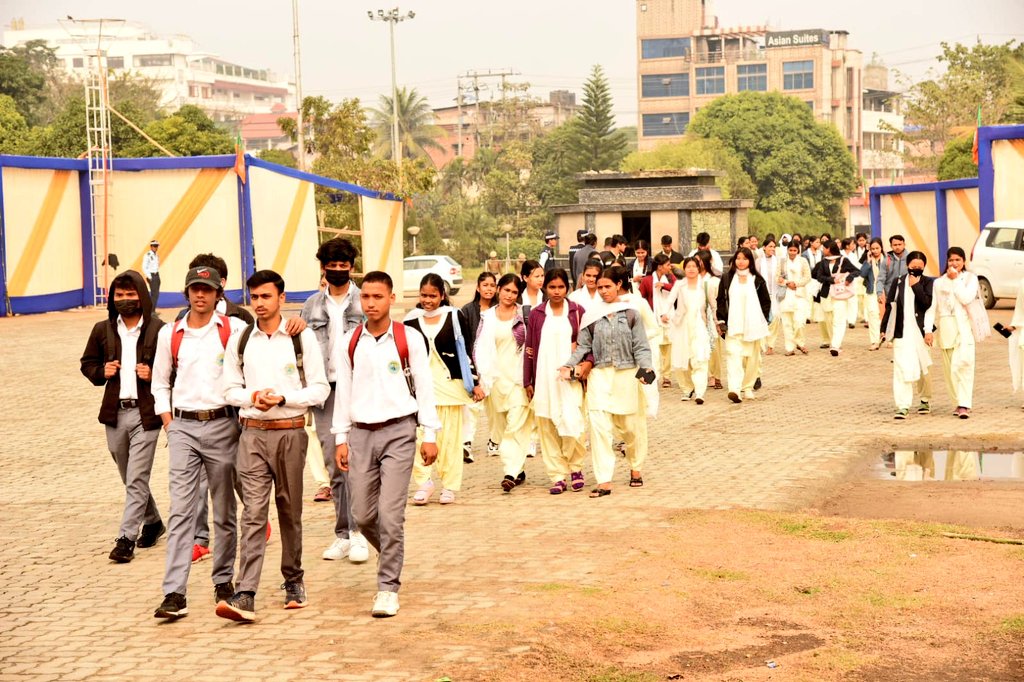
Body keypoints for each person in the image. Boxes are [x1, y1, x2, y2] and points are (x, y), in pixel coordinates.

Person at [218, 270, 330, 622]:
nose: (259, 303)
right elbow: (228, 389)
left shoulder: (301, 338)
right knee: (252, 512)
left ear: (282, 298)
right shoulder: (240, 339)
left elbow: (320, 388)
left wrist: (282, 398)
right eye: (254, 297)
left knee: (289, 509)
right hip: (251, 433)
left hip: (290, 432)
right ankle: (245, 591)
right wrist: (253, 396)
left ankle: (293, 580)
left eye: (266, 296)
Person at [331, 270, 440, 618]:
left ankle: (387, 587)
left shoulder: (408, 338)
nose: (371, 303)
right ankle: (390, 551)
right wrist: (341, 438)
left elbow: (424, 387)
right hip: (361, 434)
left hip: (400, 431)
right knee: (363, 516)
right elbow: (343, 391)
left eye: (378, 297)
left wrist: (431, 434)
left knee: (391, 517)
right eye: (366, 297)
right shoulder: (350, 341)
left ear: (392, 298)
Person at [151, 266, 248, 620]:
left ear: (218, 293)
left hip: (223, 425)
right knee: (182, 511)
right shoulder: (169, 334)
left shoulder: (234, 330)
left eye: (206, 289)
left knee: (224, 510)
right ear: (186, 291)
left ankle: (224, 580)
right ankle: (174, 592)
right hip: (182, 428)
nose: (200, 295)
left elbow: (260, 351)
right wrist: (168, 423)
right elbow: (160, 382)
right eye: (194, 288)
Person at [80, 270, 165, 563]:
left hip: (147, 415)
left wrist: (153, 374)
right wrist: (100, 372)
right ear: (112, 299)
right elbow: (87, 363)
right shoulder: (102, 330)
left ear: (141, 295)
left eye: (131, 295)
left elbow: (176, 371)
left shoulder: (159, 330)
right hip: (115, 414)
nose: (125, 300)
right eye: (119, 296)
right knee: (129, 477)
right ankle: (153, 521)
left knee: (138, 477)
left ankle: (126, 539)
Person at [299, 238, 370, 565]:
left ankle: (361, 534)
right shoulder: (311, 305)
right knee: (334, 465)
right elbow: (300, 350)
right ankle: (343, 533)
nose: (338, 271)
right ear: (323, 268)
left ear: (351, 267)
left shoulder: (365, 299)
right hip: (326, 392)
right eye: (332, 267)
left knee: (358, 463)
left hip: (360, 389)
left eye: (344, 266)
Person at [562, 267, 654, 497]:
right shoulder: (591, 315)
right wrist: (568, 363)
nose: (603, 291)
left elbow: (641, 346)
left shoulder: (631, 313)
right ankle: (604, 480)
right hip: (600, 376)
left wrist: (646, 369)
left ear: (618, 285)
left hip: (627, 375)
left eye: (607, 286)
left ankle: (635, 466)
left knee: (631, 427)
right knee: (599, 428)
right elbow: (583, 346)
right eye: (599, 287)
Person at [405, 274, 485, 506]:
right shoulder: (410, 320)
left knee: (450, 438)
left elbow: (465, 349)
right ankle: (424, 483)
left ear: (442, 295)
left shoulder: (453, 316)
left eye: (433, 296)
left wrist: (475, 381)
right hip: (420, 389)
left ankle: (449, 485)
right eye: (424, 295)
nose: (428, 300)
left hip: (450, 386)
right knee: (419, 438)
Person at [524, 268, 588, 494]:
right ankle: (557, 475)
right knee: (547, 425)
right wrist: (527, 380)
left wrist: (583, 368)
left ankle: (576, 468)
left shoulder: (578, 311)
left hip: (570, 379)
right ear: (544, 288)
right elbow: (529, 349)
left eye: (561, 287)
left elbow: (587, 345)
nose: (557, 291)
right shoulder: (537, 314)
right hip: (543, 377)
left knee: (573, 423)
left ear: (567, 288)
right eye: (552, 287)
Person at [475, 274, 533, 493]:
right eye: (506, 290)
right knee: (500, 428)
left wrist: (529, 377)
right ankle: (518, 467)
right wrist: (482, 380)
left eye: (514, 292)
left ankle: (510, 472)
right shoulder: (487, 317)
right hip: (495, 381)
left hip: (518, 379)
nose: (509, 295)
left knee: (515, 427)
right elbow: (480, 348)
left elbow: (530, 347)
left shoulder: (525, 315)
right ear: (499, 290)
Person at [880, 251, 934, 420]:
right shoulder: (897, 282)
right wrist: (883, 329)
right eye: (913, 266)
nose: (916, 269)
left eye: (920, 267)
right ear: (907, 265)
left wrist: (916, 286)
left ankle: (924, 399)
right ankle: (902, 405)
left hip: (921, 332)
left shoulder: (928, 282)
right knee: (901, 368)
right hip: (901, 332)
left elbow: (927, 304)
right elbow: (890, 306)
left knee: (922, 367)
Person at [716, 247, 771, 403]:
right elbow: (720, 300)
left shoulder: (757, 280)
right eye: (738, 258)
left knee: (751, 359)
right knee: (733, 357)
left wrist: (762, 321)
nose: (741, 261)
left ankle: (747, 387)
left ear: (750, 261)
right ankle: (734, 389)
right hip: (733, 326)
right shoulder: (727, 279)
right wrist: (721, 320)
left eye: (745, 259)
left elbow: (766, 302)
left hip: (753, 327)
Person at [930, 246, 978, 418]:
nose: (954, 263)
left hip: (964, 328)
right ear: (947, 261)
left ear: (964, 261)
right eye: (951, 260)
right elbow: (932, 307)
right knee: (950, 369)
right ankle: (957, 402)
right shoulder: (938, 282)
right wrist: (928, 329)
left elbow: (965, 297)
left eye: (958, 259)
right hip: (946, 328)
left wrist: (956, 279)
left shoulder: (970, 279)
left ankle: (965, 404)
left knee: (964, 365)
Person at [461, 272, 497, 459]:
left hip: (496, 365)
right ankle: (466, 443)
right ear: (478, 287)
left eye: (492, 285)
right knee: (472, 406)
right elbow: (464, 340)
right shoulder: (467, 311)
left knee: (495, 406)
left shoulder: (500, 309)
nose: (489, 288)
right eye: (485, 285)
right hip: (474, 363)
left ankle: (494, 440)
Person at [667, 256, 712, 404]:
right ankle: (687, 388)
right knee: (681, 359)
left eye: (694, 266)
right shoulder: (680, 285)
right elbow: (670, 301)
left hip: (699, 325)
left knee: (699, 358)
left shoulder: (705, 284)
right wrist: (666, 314)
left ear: (698, 268)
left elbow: (713, 305)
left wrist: (716, 321)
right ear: (684, 269)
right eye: (688, 267)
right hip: (682, 325)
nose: (691, 269)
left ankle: (699, 391)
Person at [815, 242, 859, 357]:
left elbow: (856, 271)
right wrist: (831, 279)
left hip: (840, 295)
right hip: (826, 294)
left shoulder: (843, 260)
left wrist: (849, 278)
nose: (822, 249)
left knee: (839, 320)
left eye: (824, 248)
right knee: (829, 320)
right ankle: (832, 342)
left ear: (829, 248)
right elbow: (819, 277)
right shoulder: (823, 261)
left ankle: (835, 345)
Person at [639, 253, 676, 387]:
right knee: (653, 349)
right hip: (652, 319)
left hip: (669, 317)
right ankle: (651, 376)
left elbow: (677, 290)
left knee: (667, 348)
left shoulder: (671, 278)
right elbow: (641, 298)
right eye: (667, 265)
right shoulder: (647, 280)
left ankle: (667, 377)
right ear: (660, 267)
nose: (669, 267)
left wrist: (664, 285)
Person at [693, 250, 723, 390]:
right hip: (696, 316)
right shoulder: (692, 279)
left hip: (711, 316)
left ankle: (716, 376)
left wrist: (717, 320)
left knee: (714, 347)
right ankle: (704, 375)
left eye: (699, 261)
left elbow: (716, 302)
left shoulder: (714, 280)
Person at [778, 240, 811, 356]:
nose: (792, 252)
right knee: (787, 323)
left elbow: (808, 277)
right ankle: (789, 348)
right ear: (787, 250)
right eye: (790, 250)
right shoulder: (782, 262)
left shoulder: (803, 261)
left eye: (794, 250)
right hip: (785, 295)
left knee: (799, 322)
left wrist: (796, 284)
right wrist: (788, 283)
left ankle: (800, 342)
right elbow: (777, 277)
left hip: (799, 294)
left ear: (798, 250)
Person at [756, 237, 781, 354]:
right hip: (762, 295)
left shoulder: (779, 261)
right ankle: (761, 345)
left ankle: (771, 345)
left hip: (775, 294)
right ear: (764, 248)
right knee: (762, 319)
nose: (772, 249)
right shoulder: (758, 261)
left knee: (775, 318)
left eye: (773, 246)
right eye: (770, 246)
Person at [861, 238, 885, 351]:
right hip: (871, 290)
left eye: (877, 248)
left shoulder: (887, 260)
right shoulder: (868, 261)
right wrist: (868, 261)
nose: (875, 251)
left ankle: (888, 338)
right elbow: (862, 273)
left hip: (885, 290)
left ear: (881, 248)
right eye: (873, 249)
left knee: (887, 314)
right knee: (872, 314)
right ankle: (874, 341)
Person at [879, 234, 908, 304]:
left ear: (904, 244)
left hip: (907, 296)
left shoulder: (910, 259)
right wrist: (879, 293)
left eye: (900, 244)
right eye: (895, 245)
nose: (897, 247)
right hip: (890, 296)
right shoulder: (886, 260)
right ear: (891, 246)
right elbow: (880, 279)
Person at [142, 240, 161, 307]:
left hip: (156, 275)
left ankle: (152, 310)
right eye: (154, 246)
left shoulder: (156, 255)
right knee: (154, 294)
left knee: (156, 294)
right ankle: (151, 311)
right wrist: (149, 277)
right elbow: (144, 267)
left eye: (157, 246)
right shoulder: (148, 255)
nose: (156, 247)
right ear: (151, 246)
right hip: (152, 275)